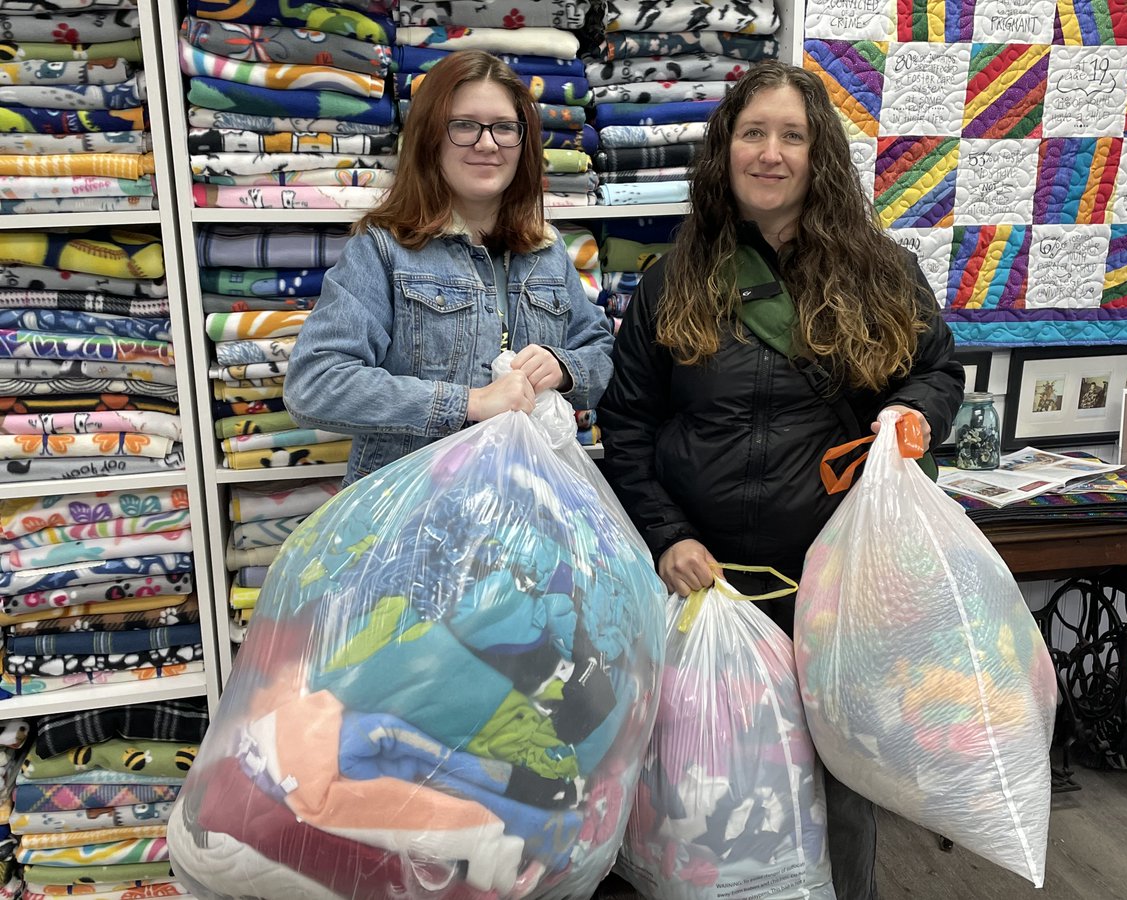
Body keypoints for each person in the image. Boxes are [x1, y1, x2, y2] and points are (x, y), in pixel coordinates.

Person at [596, 60, 965, 900]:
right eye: (752, 134)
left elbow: (938, 373)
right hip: (704, 587)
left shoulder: (880, 271)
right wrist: (667, 536)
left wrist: (909, 415)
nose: (770, 153)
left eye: (791, 136)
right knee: (695, 780)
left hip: (832, 584)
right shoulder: (673, 280)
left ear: (818, 154)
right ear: (725, 151)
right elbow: (627, 425)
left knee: (841, 785)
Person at [284, 50, 613, 485]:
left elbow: (601, 352)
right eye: (464, 125)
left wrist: (565, 366)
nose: (487, 143)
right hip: (412, 514)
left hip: (528, 508)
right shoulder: (383, 250)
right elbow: (314, 385)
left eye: (504, 127)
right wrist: (469, 403)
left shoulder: (546, 251)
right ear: (430, 138)